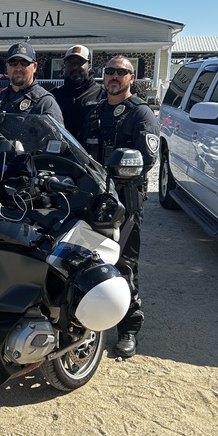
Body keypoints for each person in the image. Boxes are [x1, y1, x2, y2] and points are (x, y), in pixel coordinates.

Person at [78, 55, 160, 358]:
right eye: (109, 71)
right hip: (93, 198)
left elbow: (147, 159)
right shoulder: (94, 111)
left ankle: (128, 328)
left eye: (121, 72)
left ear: (131, 77)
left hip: (124, 201)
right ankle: (84, 322)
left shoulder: (140, 113)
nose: (114, 76)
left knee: (124, 264)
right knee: (84, 259)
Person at [0, 42, 64, 173]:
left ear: (34, 66)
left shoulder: (45, 103)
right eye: (13, 63)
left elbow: (55, 147)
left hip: (26, 179)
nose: (18, 68)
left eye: (24, 63)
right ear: (7, 67)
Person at [52, 44, 105, 136]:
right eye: (70, 63)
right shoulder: (54, 96)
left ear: (89, 66)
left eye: (80, 62)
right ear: (64, 66)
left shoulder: (103, 94)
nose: (75, 67)